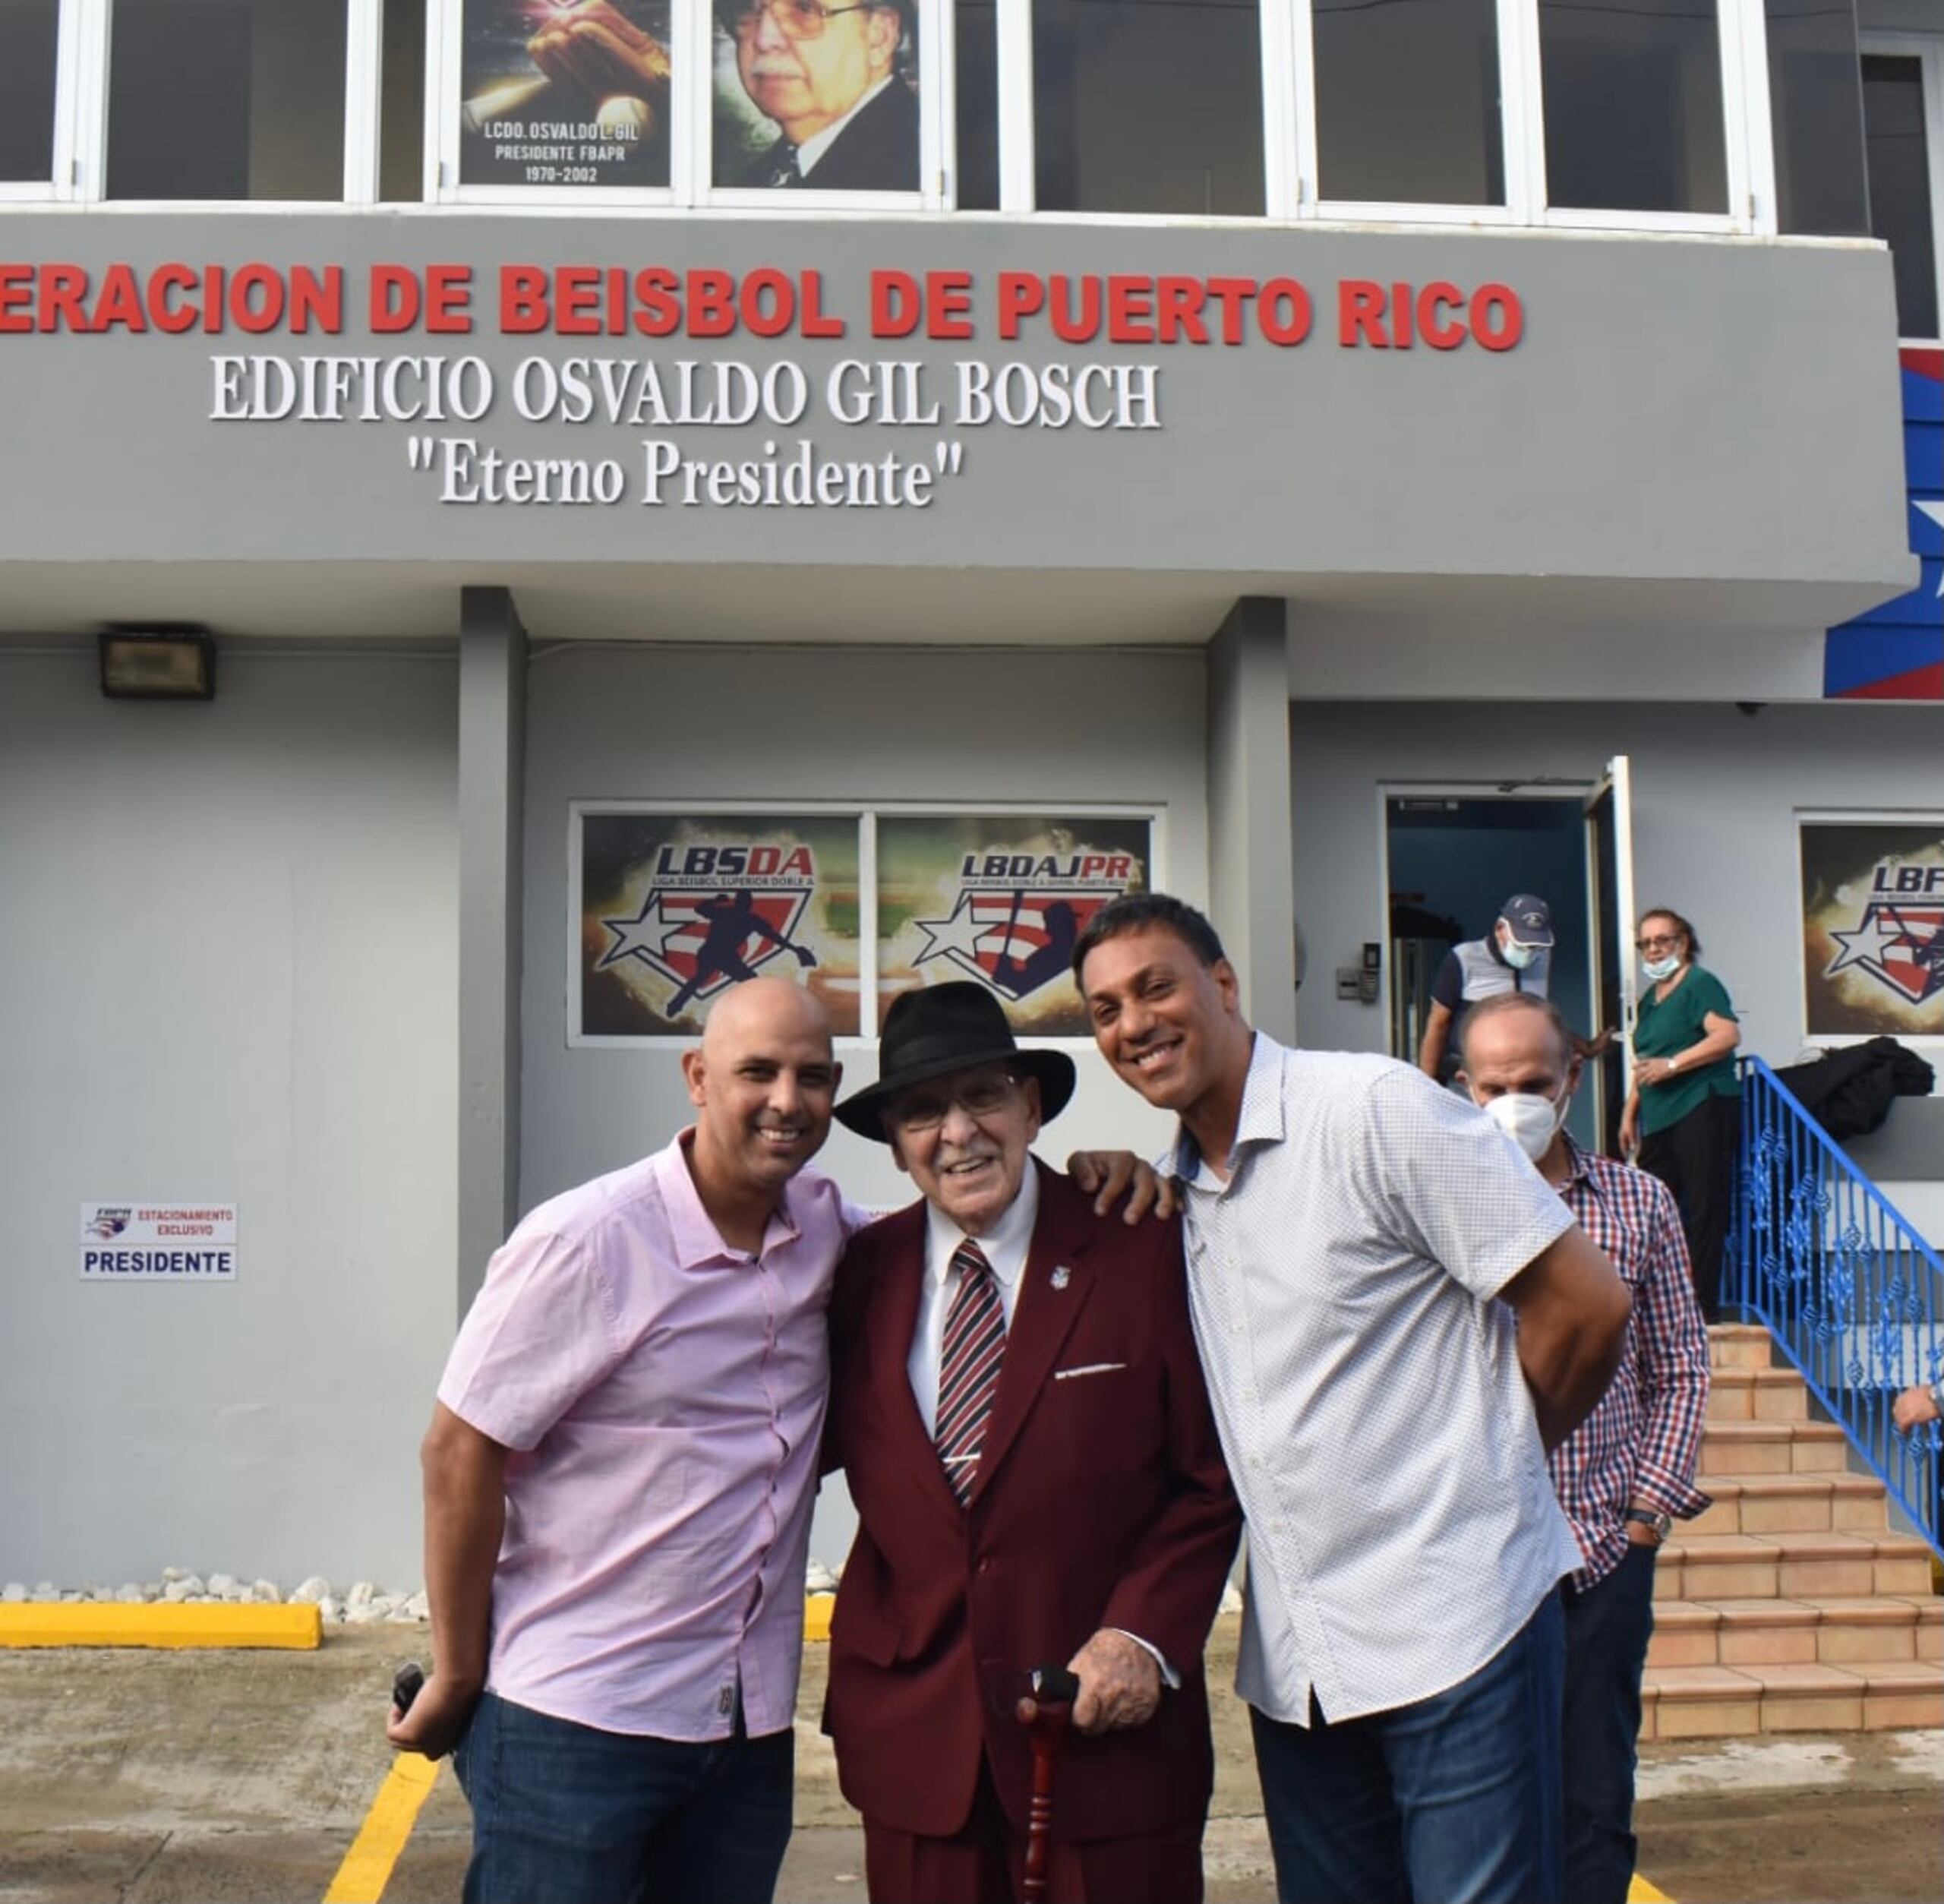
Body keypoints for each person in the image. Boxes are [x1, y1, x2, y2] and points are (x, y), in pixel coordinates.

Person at [386, 976, 1160, 1904]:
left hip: (744, 1737)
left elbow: (973, 1239)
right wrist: (461, 1667)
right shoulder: (586, 1240)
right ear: (697, 1077)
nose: (786, 1101)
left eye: (812, 1076)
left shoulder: (834, 1238)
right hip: (576, 1720)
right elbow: (457, 1448)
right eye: (756, 1071)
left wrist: (1097, 1176)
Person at [1074, 892, 1633, 1904]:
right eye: (1106, 1009)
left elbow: (1587, 1307)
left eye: (1157, 985)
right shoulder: (1174, 1193)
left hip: (1463, 1623)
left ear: (1226, 984)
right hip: (1304, 1666)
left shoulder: (1373, 1108)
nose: (1134, 1022)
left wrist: (1492, 1464)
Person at [822, 983, 1240, 1904]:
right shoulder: (854, 1276)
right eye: (924, 1110)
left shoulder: (1142, 1243)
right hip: (915, 1749)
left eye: (983, 1096)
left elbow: (1209, 1480)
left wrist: (1140, 1634)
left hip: (1105, 1742)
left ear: (1033, 1106)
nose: (958, 1131)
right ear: (894, 1143)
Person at [1457, 992, 1712, 1904]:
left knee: (1592, 1799)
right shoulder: (1430, 1207)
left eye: (1534, 1080)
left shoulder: (1638, 1203)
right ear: (1462, 1085)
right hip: (1467, 1565)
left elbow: (1679, 1363)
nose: (1514, 1100)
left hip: (1599, 1555)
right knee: (1474, 1806)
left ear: (1572, 1077)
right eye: (1494, 1084)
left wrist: (1645, 1512)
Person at [1620, 908, 1743, 1322]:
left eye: (1662, 940)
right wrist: (1628, 1113)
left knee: (1704, 1205)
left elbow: (1726, 1035)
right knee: (1655, 1209)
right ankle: (1661, 1302)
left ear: (1683, 943)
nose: (1653, 949)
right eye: (1646, 943)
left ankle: (1701, 1307)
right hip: (1660, 1117)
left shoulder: (1699, 984)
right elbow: (1645, 1063)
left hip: (1701, 1103)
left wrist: (1673, 1066)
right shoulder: (1650, 1001)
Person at [1418, 892, 1614, 1085]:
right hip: (1470, 1078)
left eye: (1535, 945)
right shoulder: (1464, 958)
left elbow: (1537, 1021)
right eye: (1521, 944)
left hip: (1524, 1078)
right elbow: (1438, 1024)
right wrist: (1427, 1088)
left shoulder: (1541, 958)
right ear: (1500, 929)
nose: (1529, 953)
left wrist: (1586, 1047)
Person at [722, 0, 917, 188]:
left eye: (804, 9)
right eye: (748, 9)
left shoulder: (913, 170)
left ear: (880, 37)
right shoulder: (759, 177)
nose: (764, 40)